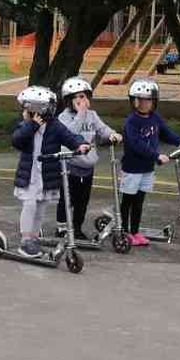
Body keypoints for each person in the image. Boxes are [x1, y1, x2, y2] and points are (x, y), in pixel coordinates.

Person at [11, 85, 91, 256]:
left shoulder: (54, 125)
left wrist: (80, 143)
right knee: (30, 204)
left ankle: (34, 237)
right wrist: (32, 125)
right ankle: (25, 239)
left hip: (47, 174)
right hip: (30, 174)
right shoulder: (25, 126)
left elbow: (69, 136)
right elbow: (17, 140)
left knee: (41, 207)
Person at [120, 79, 180, 247]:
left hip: (147, 168)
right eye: (141, 100)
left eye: (148, 100)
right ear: (134, 101)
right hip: (132, 168)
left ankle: (135, 231)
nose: (145, 104)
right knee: (128, 201)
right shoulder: (132, 122)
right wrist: (157, 155)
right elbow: (137, 145)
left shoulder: (154, 118)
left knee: (139, 202)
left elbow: (165, 133)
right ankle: (124, 230)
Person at [56, 77, 122, 240]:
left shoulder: (92, 116)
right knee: (66, 199)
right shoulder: (64, 118)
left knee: (82, 201)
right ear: (68, 100)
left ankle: (77, 228)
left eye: (83, 96)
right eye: (77, 97)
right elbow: (68, 134)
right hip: (69, 167)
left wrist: (112, 134)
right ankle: (62, 227)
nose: (81, 100)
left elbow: (102, 129)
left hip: (87, 167)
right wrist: (80, 114)